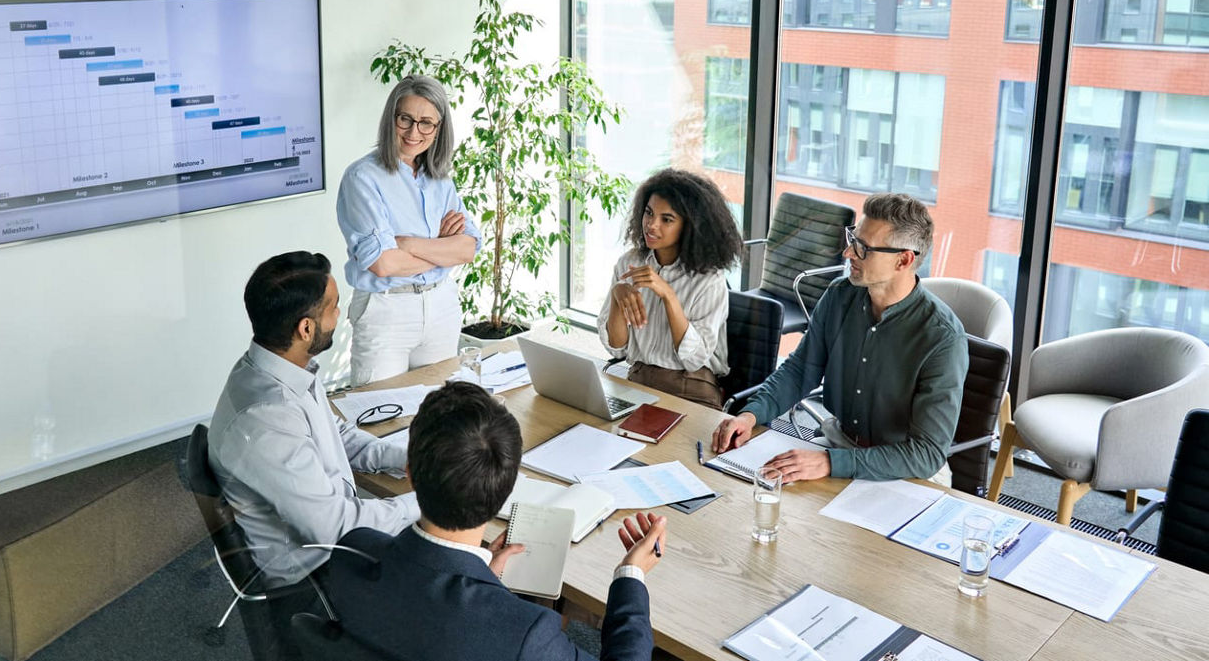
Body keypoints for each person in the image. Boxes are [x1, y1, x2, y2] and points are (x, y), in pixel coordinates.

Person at [329, 382, 666, 660]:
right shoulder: (525, 634)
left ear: (410, 476)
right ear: (504, 494)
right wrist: (631, 576)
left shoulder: (351, 553)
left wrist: (482, 577)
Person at [208, 252, 419, 653]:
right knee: (451, 581)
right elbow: (335, 529)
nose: (342, 315)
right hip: (313, 584)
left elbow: (335, 434)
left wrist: (403, 457)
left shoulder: (279, 367)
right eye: (334, 307)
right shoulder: (266, 418)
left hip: (328, 545)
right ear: (306, 328)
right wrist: (426, 502)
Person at [711, 193, 968, 483]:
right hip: (837, 443)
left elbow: (926, 454)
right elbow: (799, 371)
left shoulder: (943, 338)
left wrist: (830, 462)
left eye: (863, 248)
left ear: (904, 260)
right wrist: (750, 415)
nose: (848, 254)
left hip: (905, 470)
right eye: (852, 239)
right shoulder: (839, 295)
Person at [337, 74, 480, 387]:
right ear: (392, 119)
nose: (415, 132)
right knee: (380, 416)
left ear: (439, 128)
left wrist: (407, 244)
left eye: (427, 122)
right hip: (386, 309)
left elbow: (468, 248)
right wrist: (443, 248)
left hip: (441, 307)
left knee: (441, 418)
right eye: (406, 119)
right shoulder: (363, 178)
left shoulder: (441, 179)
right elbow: (383, 263)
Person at [597, 168, 744, 409]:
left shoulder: (709, 280)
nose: (651, 225)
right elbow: (617, 347)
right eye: (648, 213)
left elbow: (695, 359)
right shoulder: (628, 263)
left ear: (690, 226)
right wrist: (617, 297)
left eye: (666, 219)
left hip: (691, 389)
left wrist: (668, 295)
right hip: (639, 380)